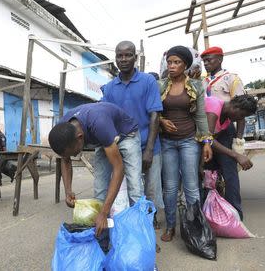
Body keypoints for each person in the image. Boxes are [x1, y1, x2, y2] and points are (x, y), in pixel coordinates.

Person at [48, 102, 143, 236]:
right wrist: (68, 191)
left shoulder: (99, 123)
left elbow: (119, 169)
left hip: (127, 135)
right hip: (103, 139)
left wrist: (104, 213)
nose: (74, 155)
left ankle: (142, 236)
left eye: (73, 152)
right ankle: (102, 237)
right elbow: (65, 159)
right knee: (100, 190)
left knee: (135, 189)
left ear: (80, 138)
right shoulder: (64, 129)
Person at [101, 41, 164, 228]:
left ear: (135, 58)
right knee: (129, 191)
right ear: (115, 59)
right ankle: (135, 230)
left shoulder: (148, 81)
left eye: (128, 55)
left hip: (149, 145)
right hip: (124, 149)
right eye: (119, 56)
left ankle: (148, 230)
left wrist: (150, 150)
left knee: (151, 191)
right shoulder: (110, 88)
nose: (124, 59)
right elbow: (105, 115)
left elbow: (155, 114)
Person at [158, 45, 213, 242]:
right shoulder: (160, 85)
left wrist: (206, 142)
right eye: (170, 62)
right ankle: (171, 226)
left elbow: (200, 116)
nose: (172, 66)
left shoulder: (197, 86)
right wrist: (162, 122)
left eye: (177, 62)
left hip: (189, 140)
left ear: (186, 65)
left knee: (191, 186)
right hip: (167, 143)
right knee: (170, 187)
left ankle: (195, 226)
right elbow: (154, 112)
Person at [201, 46, 246, 219]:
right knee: (209, 173)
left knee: (229, 172)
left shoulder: (231, 79)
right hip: (207, 130)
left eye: (209, 59)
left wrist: (239, 140)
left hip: (225, 127)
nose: (206, 63)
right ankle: (212, 212)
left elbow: (241, 110)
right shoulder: (203, 81)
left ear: (220, 59)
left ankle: (235, 214)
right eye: (204, 60)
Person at [205, 95, 257, 172]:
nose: (241, 119)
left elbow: (211, 140)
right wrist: (236, 155)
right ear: (235, 107)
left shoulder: (227, 120)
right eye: (242, 115)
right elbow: (207, 139)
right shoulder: (214, 107)